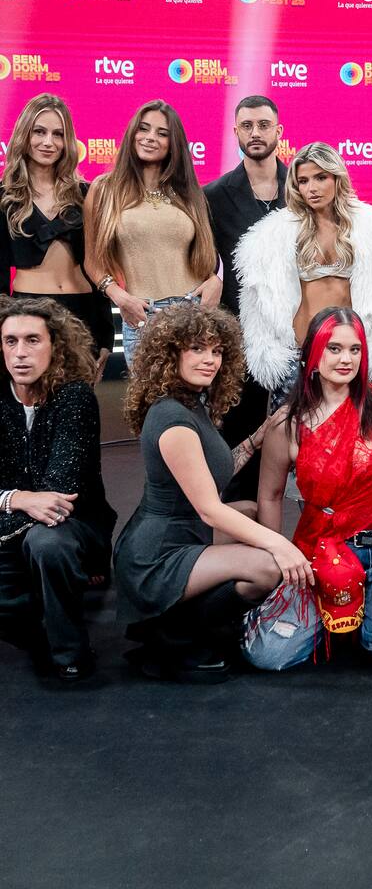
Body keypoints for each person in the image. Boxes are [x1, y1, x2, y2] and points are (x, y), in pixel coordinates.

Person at [114, 303, 309, 682]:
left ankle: (186, 624)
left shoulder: (190, 402)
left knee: (250, 510)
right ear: (170, 353)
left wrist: (255, 440)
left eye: (217, 351)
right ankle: (170, 632)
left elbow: (210, 474)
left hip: (183, 531)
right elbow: (209, 508)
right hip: (157, 555)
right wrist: (281, 546)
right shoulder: (173, 418)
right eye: (197, 349)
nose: (210, 360)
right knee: (268, 568)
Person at [243, 308, 372, 670]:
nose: (345, 359)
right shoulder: (288, 423)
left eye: (355, 349)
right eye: (334, 348)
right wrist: (280, 562)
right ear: (313, 355)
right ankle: (340, 611)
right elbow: (270, 495)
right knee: (268, 654)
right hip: (321, 550)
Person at [235, 142, 372, 407]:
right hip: (299, 354)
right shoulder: (274, 234)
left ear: (337, 178)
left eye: (320, 178)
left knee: (350, 431)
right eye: (303, 181)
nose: (312, 188)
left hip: (347, 356)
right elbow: (257, 300)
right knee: (291, 431)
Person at [0, 298, 116, 681]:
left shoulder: (74, 398)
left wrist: (10, 501)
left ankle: (70, 652)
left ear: (55, 346)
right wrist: (16, 498)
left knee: (47, 543)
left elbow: (58, 496)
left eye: (32, 340)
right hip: (11, 523)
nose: (20, 352)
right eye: (11, 341)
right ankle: (42, 626)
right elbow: (32, 500)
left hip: (73, 526)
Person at [83, 99, 221, 365]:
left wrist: (216, 279)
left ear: (173, 143)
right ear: (132, 133)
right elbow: (92, 261)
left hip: (194, 312)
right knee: (150, 394)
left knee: (198, 393)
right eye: (143, 129)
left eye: (162, 133)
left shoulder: (189, 193)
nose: (150, 138)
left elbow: (207, 253)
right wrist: (119, 296)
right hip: (142, 315)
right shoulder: (104, 190)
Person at [203, 95, 289, 502]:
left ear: (279, 132)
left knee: (309, 433)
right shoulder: (213, 196)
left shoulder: (306, 186)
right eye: (247, 126)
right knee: (240, 434)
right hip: (241, 333)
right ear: (236, 132)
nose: (256, 133)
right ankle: (240, 522)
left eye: (264, 125)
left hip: (298, 331)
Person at [1, 94, 115, 368]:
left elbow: (98, 268)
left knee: (79, 393)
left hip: (83, 312)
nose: (48, 142)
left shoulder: (86, 194)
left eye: (58, 134)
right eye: (39, 132)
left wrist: (106, 334)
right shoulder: (5, 198)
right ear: (24, 135)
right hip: (28, 310)